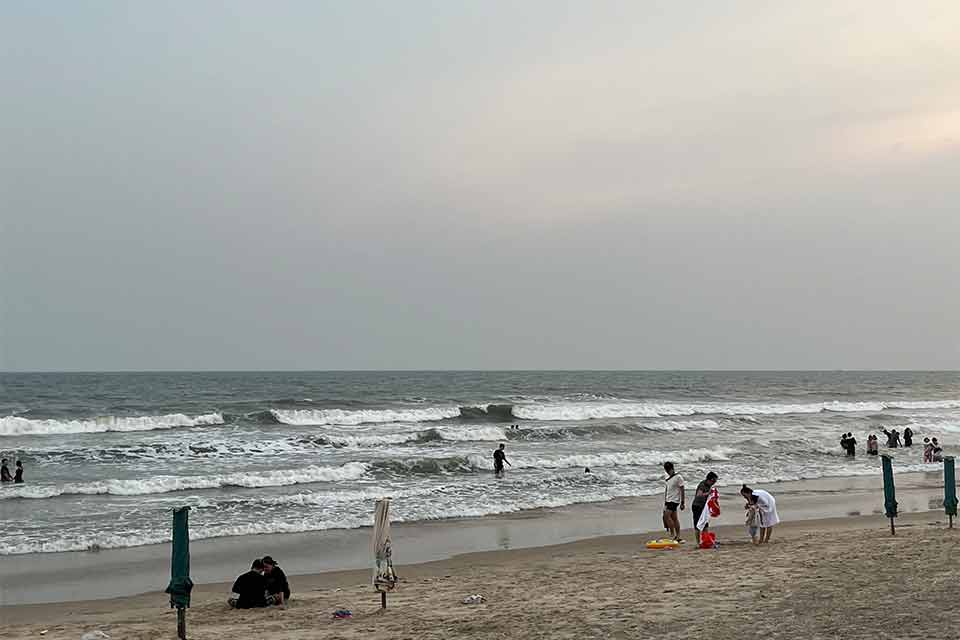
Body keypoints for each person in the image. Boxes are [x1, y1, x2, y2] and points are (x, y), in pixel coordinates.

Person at [691, 471, 718, 544]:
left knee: (705, 524)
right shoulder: (702, 485)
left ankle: (705, 540)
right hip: (697, 506)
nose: (714, 483)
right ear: (710, 479)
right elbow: (699, 495)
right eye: (713, 481)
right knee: (698, 525)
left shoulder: (709, 485)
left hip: (704, 507)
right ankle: (698, 542)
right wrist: (708, 493)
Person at [662, 461, 685, 542]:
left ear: (672, 468)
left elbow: (682, 489)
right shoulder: (668, 479)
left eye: (669, 470)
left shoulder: (678, 477)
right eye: (667, 470)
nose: (668, 472)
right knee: (674, 518)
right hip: (668, 500)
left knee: (666, 516)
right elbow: (667, 491)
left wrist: (682, 502)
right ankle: (678, 536)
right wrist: (665, 502)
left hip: (674, 500)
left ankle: (672, 534)